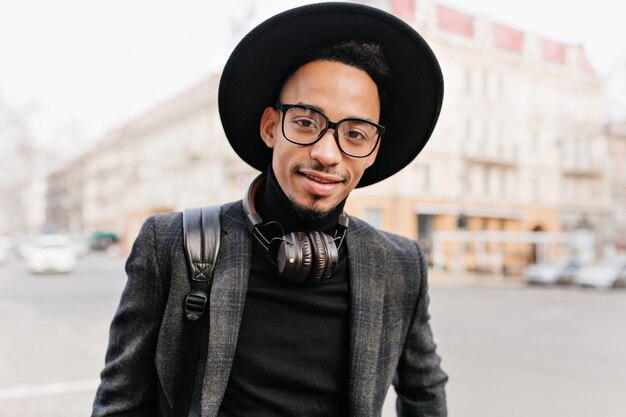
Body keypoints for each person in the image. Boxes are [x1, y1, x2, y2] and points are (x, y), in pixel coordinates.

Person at [92, 3, 447, 417]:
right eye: (306, 122)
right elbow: (121, 404)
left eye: (354, 134)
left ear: (372, 151)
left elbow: (425, 393)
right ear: (269, 127)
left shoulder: (400, 265)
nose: (327, 153)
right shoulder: (170, 244)